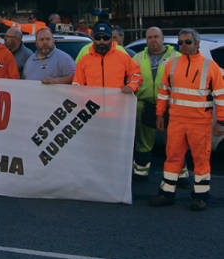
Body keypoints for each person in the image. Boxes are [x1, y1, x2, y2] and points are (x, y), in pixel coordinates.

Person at [150, 29, 224, 211]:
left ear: (197, 44)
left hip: (200, 123)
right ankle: (167, 193)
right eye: (180, 43)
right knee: (173, 157)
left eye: (188, 42)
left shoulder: (211, 67)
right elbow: (163, 91)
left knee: (201, 160)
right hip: (176, 121)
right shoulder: (172, 65)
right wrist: (160, 114)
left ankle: (200, 197)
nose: (183, 45)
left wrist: (221, 122)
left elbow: (220, 97)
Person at [131, 26, 182, 183]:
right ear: (146, 40)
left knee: (174, 142)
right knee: (143, 143)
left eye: (156, 36)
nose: (153, 40)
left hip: (170, 106)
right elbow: (130, 78)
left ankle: (180, 176)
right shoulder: (138, 58)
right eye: (150, 37)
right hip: (145, 105)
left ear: (163, 37)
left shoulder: (177, 57)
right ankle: (140, 174)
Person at [72, 23, 141, 92]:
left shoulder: (122, 57)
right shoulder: (84, 60)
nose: (102, 41)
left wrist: (131, 86)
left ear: (111, 39)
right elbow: (77, 84)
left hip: (117, 102)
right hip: (92, 102)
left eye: (106, 38)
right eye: (98, 38)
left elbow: (136, 74)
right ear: (93, 39)